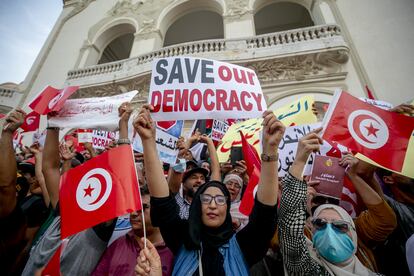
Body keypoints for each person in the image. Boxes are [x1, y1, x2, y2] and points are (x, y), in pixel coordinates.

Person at [134, 105, 283, 275]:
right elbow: (162, 203)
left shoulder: (244, 246)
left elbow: (264, 215)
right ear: (197, 206)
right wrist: (148, 141)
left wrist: (270, 151)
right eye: (205, 199)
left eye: (220, 200)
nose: (213, 205)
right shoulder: (184, 240)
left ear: (228, 207)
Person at [278, 129, 396, 275]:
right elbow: (289, 231)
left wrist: (354, 176)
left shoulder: (359, 230)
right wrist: (301, 204)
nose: (329, 233)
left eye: (340, 226)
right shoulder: (308, 269)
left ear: (353, 232)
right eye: (319, 224)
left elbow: (385, 220)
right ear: (311, 227)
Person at [92, 186, 174, 276]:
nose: (133, 213)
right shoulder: (118, 244)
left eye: (143, 208)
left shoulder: (173, 251)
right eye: (132, 207)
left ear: (159, 211)